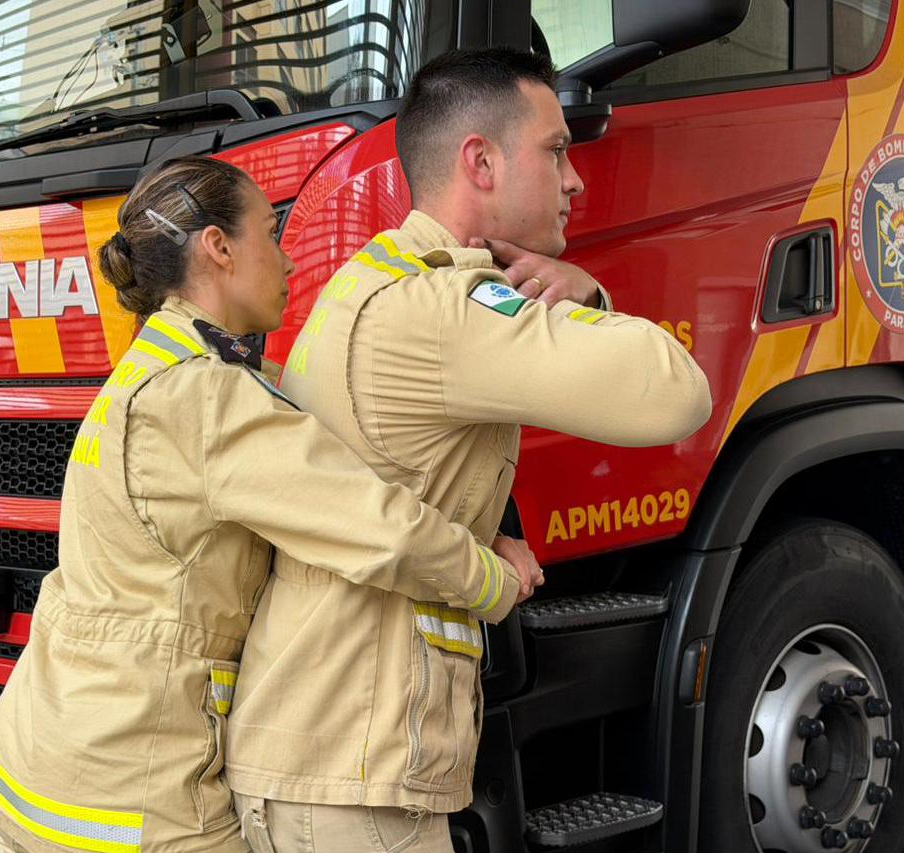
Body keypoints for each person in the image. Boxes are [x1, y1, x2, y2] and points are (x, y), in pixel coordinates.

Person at [0, 155, 541, 853]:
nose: (289, 260)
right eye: (270, 235)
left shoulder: (150, 372)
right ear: (218, 248)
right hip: (136, 797)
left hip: (36, 763)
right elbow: (378, 528)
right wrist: (492, 578)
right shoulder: (209, 399)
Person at [225, 48, 713, 852]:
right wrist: (589, 294)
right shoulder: (448, 307)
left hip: (316, 751)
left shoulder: (365, 282)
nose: (576, 180)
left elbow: (378, 479)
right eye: (556, 151)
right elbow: (676, 392)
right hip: (357, 779)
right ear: (479, 162)